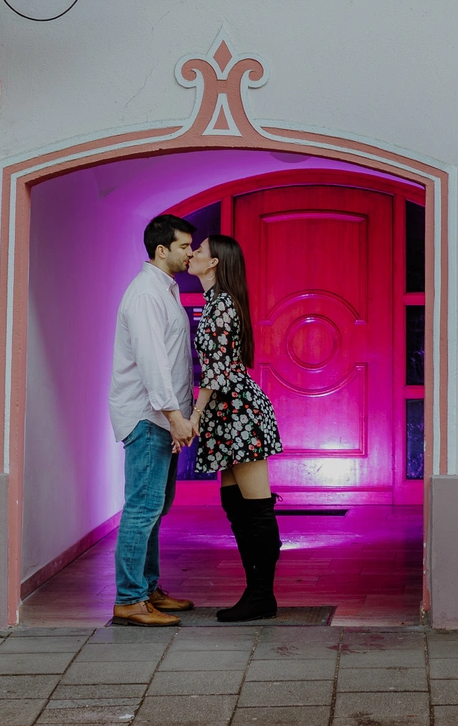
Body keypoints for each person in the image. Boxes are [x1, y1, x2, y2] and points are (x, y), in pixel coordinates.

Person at [186, 233, 285, 622]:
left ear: (214, 262)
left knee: (256, 510)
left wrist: (194, 415)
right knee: (237, 506)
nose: (192, 254)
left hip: (239, 413)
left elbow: (217, 370)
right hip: (228, 415)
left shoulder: (221, 304)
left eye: (199, 251)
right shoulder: (214, 302)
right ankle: (255, 592)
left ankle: (263, 595)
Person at [106, 214, 199, 627]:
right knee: (142, 509)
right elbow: (153, 364)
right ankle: (129, 599)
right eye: (184, 246)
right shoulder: (146, 293)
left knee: (155, 508)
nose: (190, 252)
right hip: (149, 418)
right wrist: (176, 417)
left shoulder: (166, 290)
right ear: (162, 250)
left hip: (161, 417)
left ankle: (147, 588)